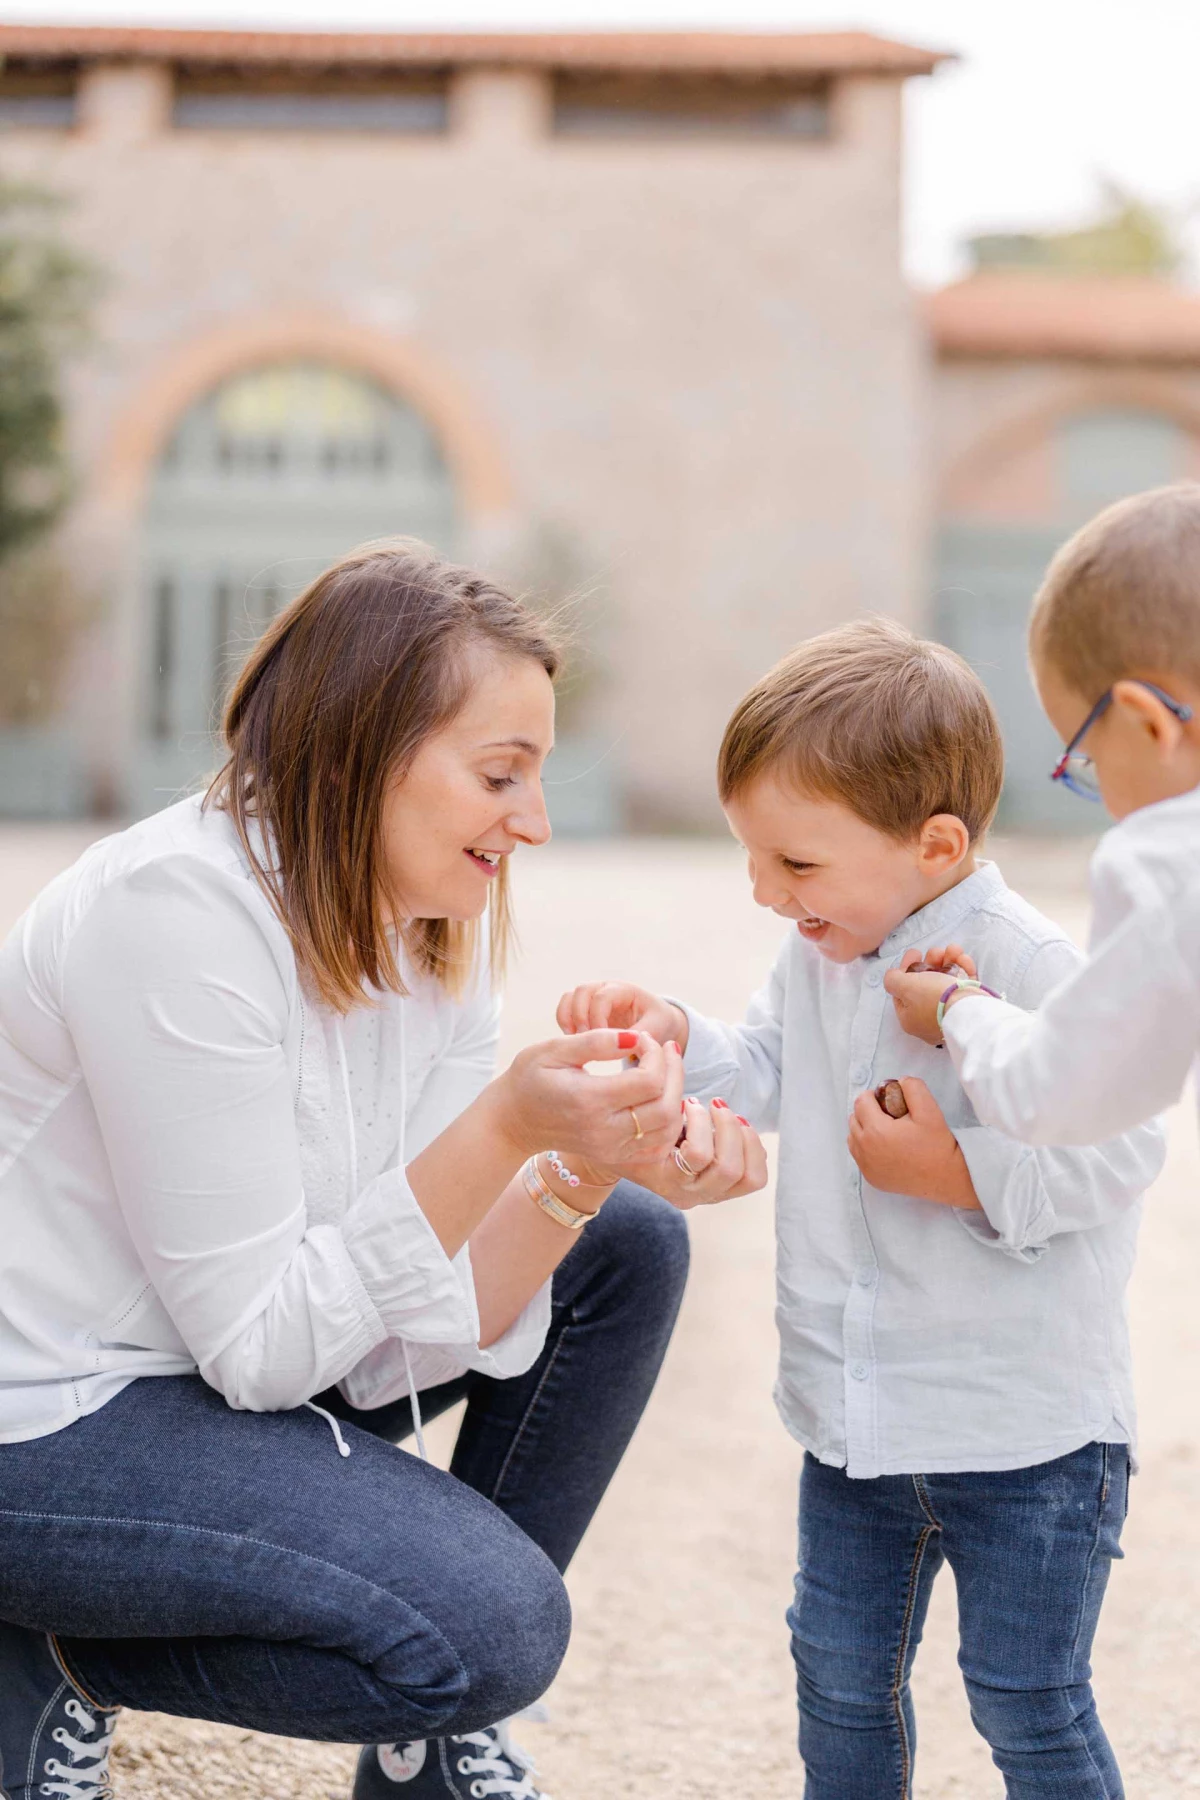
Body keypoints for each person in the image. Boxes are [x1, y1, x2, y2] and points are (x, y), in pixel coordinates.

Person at [0, 541, 767, 1800]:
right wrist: (511, 1127)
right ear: (361, 749)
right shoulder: (177, 917)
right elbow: (266, 1352)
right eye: (500, 774)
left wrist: (579, 1169)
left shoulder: (426, 927)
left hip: (204, 1375)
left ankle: (427, 1750)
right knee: (493, 1628)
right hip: (49, 1417)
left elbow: (396, 1323)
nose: (536, 820)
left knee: (626, 1241)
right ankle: (56, 1651)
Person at [557, 619, 1165, 1800]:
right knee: (836, 1678)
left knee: (1027, 1700)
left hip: (1025, 1437)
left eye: (795, 864)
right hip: (854, 1423)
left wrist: (956, 1175)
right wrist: (680, 1035)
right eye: (751, 859)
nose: (763, 893)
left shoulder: (1026, 961)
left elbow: (1124, 1148)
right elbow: (773, 1066)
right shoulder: (823, 954)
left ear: (936, 845)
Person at [886, 482, 1200, 1157]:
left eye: (1088, 758)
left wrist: (957, 1007)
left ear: (1150, 724)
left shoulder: (1170, 859)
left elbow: (1053, 1094)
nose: (1104, 795)